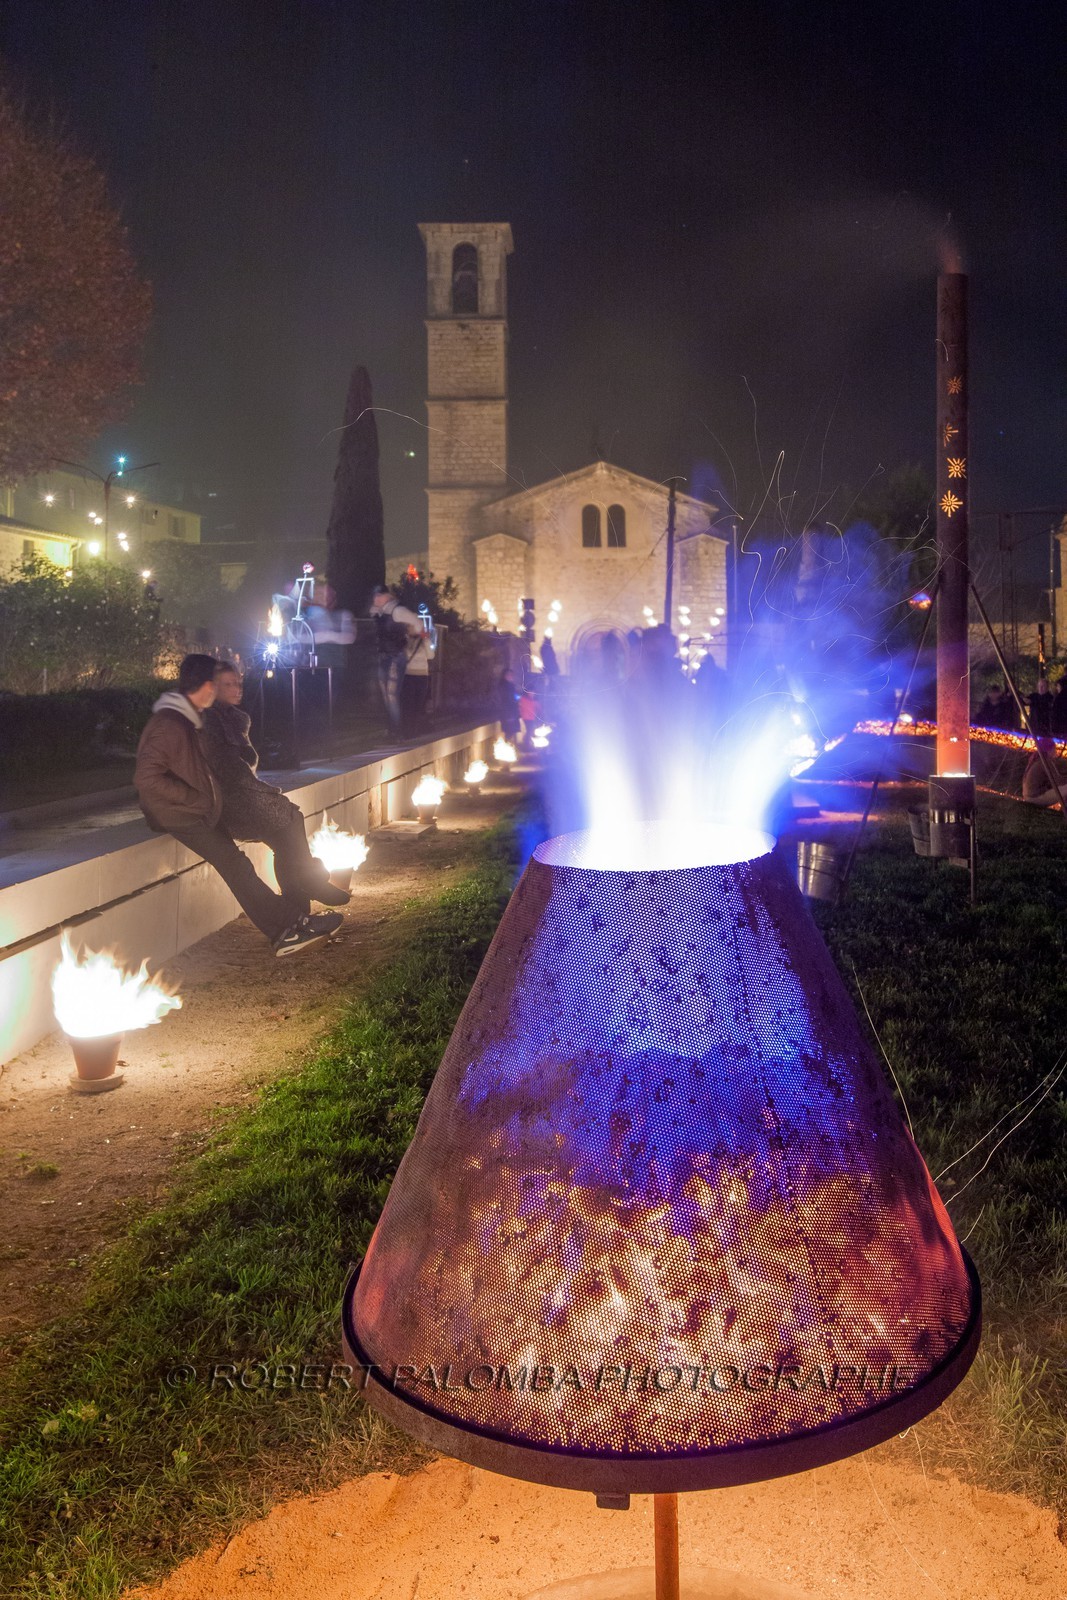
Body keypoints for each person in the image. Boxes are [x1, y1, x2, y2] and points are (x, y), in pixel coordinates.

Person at [134, 654, 343, 957]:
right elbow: (146, 778)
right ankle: (289, 928)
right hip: (180, 814)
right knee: (235, 866)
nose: (227, 688)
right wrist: (195, 799)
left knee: (239, 865)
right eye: (220, 682)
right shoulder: (172, 721)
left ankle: (294, 925)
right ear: (207, 685)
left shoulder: (188, 716)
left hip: (198, 809)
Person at [202, 661, 350, 911]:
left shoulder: (232, 719)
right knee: (290, 819)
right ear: (212, 688)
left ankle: (298, 912)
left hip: (240, 795)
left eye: (238, 682)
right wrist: (265, 792)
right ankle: (309, 886)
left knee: (286, 840)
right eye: (228, 684)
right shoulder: (211, 722)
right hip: (227, 802)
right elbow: (230, 773)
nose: (237, 688)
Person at [370, 584, 433, 737]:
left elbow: (418, 624)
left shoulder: (397, 611)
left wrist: (415, 636)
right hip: (385, 655)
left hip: (394, 655)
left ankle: (396, 730)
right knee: (387, 695)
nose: (376, 599)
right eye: (375, 596)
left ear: (388, 596)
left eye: (380, 596)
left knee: (392, 694)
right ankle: (394, 727)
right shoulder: (380, 612)